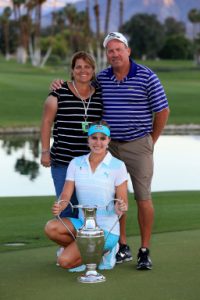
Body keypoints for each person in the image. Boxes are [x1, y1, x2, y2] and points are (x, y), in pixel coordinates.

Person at [50, 32, 170, 270]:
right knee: (116, 197)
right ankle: (121, 245)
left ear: (128, 51)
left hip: (138, 143)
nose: (114, 54)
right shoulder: (102, 77)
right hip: (109, 145)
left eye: (118, 49)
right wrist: (59, 85)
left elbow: (163, 111)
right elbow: (81, 83)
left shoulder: (147, 76)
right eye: (110, 51)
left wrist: (150, 142)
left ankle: (144, 250)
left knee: (143, 197)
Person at [45, 121, 128, 271]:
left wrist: (120, 206)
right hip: (83, 226)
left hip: (107, 230)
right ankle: (87, 254)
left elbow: (122, 201)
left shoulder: (118, 165)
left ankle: (107, 250)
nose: (98, 142)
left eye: (103, 138)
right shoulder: (76, 163)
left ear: (109, 141)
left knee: (64, 261)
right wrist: (60, 205)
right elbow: (66, 194)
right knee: (51, 228)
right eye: (94, 138)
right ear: (88, 140)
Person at [40, 51, 103, 219]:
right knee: (66, 208)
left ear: (93, 70)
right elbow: (46, 123)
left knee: (86, 210)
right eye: (78, 67)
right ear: (72, 70)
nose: (83, 70)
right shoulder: (59, 92)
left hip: (89, 164)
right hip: (63, 161)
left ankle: (83, 245)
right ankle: (65, 245)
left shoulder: (99, 95)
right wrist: (45, 151)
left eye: (87, 67)